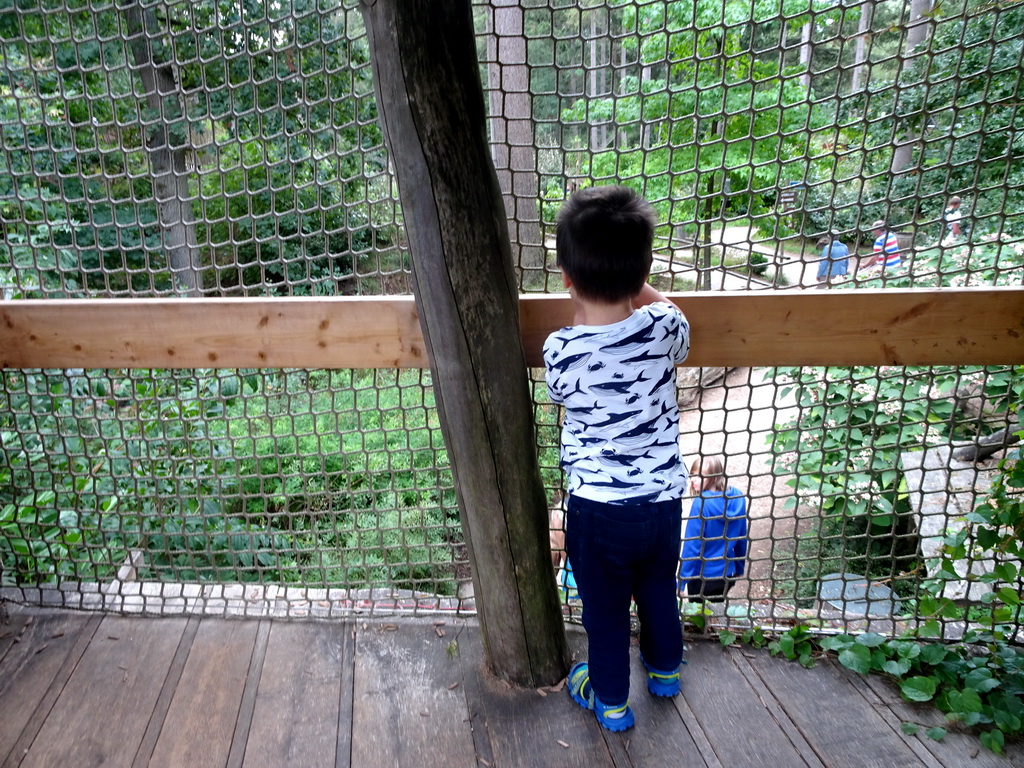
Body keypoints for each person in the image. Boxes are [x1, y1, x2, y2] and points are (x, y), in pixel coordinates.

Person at [543, 185, 691, 733]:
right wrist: (637, 283)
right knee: (657, 590)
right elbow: (672, 312)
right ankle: (666, 671)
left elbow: (563, 391)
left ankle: (610, 701)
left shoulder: (563, 350)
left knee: (604, 613)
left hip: (597, 511)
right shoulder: (664, 328)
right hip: (661, 504)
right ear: (643, 269)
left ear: (566, 277)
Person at [678, 456, 748, 603]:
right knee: (715, 613)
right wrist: (739, 567)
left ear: (714, 477)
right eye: (692, 475)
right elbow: (742, 537)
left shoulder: (701, 503)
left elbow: (693, 544)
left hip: (702, 577)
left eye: (699, 476)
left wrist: (682, 580)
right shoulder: (738, 497)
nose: (693, 480)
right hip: (727, 574)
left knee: (700, 618)